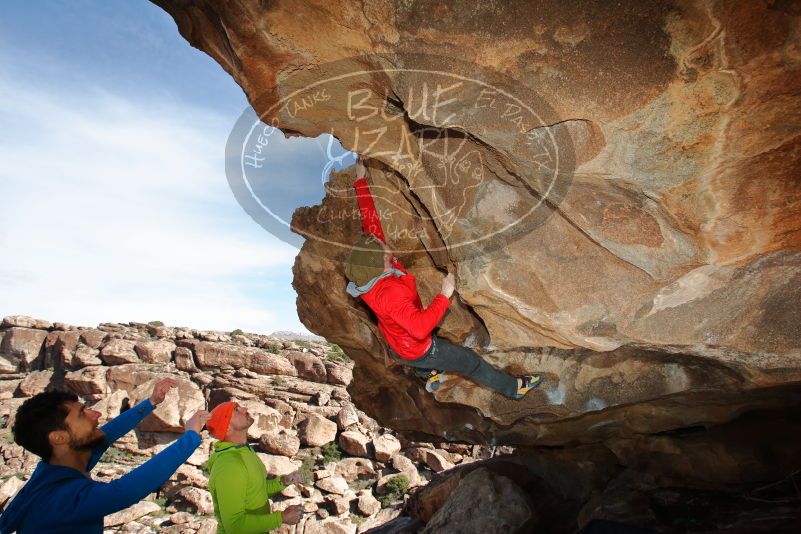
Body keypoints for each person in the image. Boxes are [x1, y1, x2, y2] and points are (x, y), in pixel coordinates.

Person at [345, 159, 542, 399]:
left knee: (409, 340)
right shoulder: (389, 293)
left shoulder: (372, 273)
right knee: (470, 362)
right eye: (383, 248)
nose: (385, 244)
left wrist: (360, 181)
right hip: (418, 348)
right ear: (379, 261)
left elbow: (371, 224)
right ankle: (514, 388)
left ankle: (428, 373)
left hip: (397, 344)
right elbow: (419, 329)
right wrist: (445, 293)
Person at [0, 378, 209, 534]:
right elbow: (124, 492)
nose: (97, 414)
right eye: (83, 413)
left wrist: (151, 402)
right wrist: (189, 436)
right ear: (59, 438)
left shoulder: (55, 467)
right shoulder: (60, 500)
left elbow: (105, 436)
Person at [206, 401, 304, 534]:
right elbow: (235, 526)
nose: (244, 408)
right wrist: (281, 518)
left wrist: (283, 481)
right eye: (236, 410)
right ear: (227, 427)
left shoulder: (245, 450)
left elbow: (257, 490)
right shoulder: (229, 464)